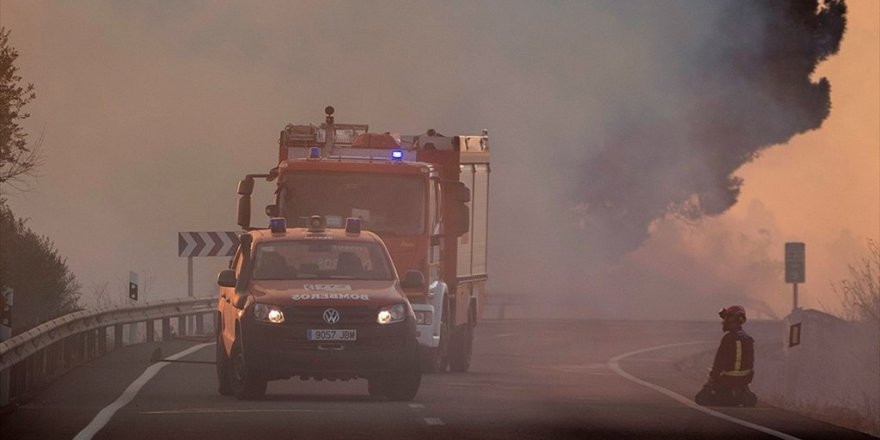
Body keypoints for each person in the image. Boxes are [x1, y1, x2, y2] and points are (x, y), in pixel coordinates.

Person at [695, 305, 758, 407]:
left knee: (701, 399)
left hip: (727, 380)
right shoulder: (748, 339)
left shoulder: (728, 339)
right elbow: (750, 363)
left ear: (732, 320)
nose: (724, 322)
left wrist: (710, 381)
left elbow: (719, 362)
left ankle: (731, 396)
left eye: (726, 318)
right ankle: (741, 392)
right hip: (744, 380)